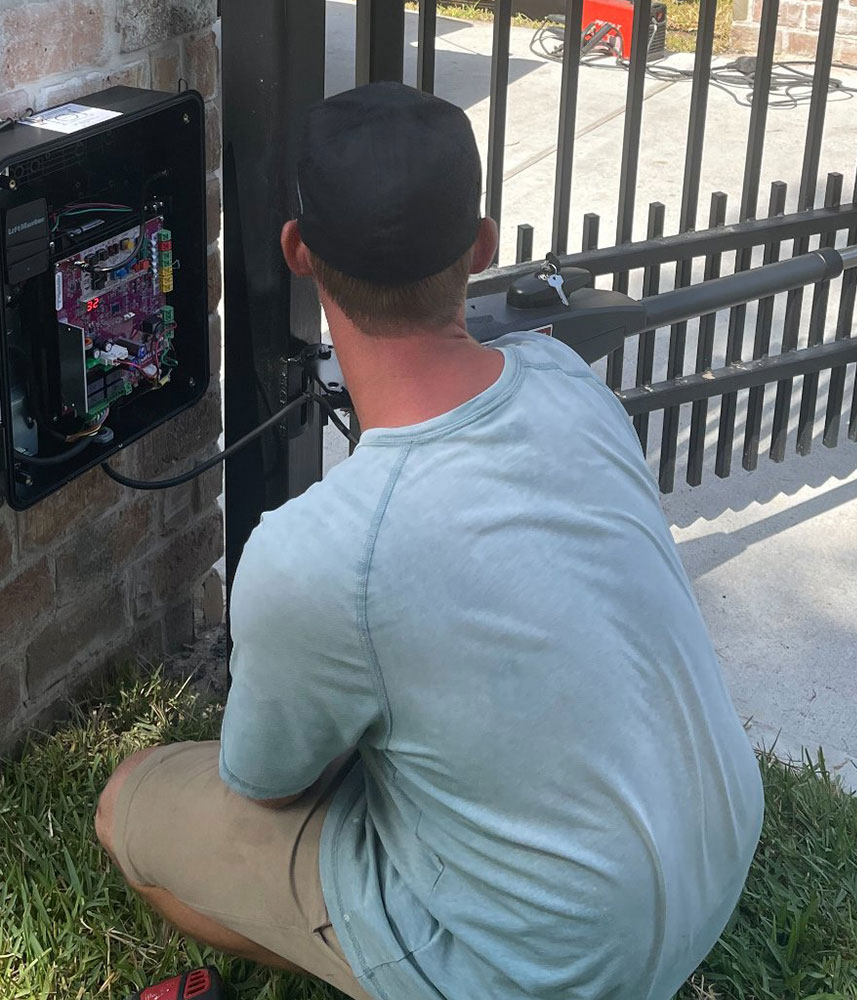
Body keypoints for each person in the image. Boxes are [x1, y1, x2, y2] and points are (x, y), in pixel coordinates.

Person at [95, 81, 764, 1000]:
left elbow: (266, 784)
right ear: (483, 246)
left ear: (298, 253)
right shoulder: (568, 379)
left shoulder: (317, 551)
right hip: (714, 862)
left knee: (131, 806)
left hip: (551, 974)